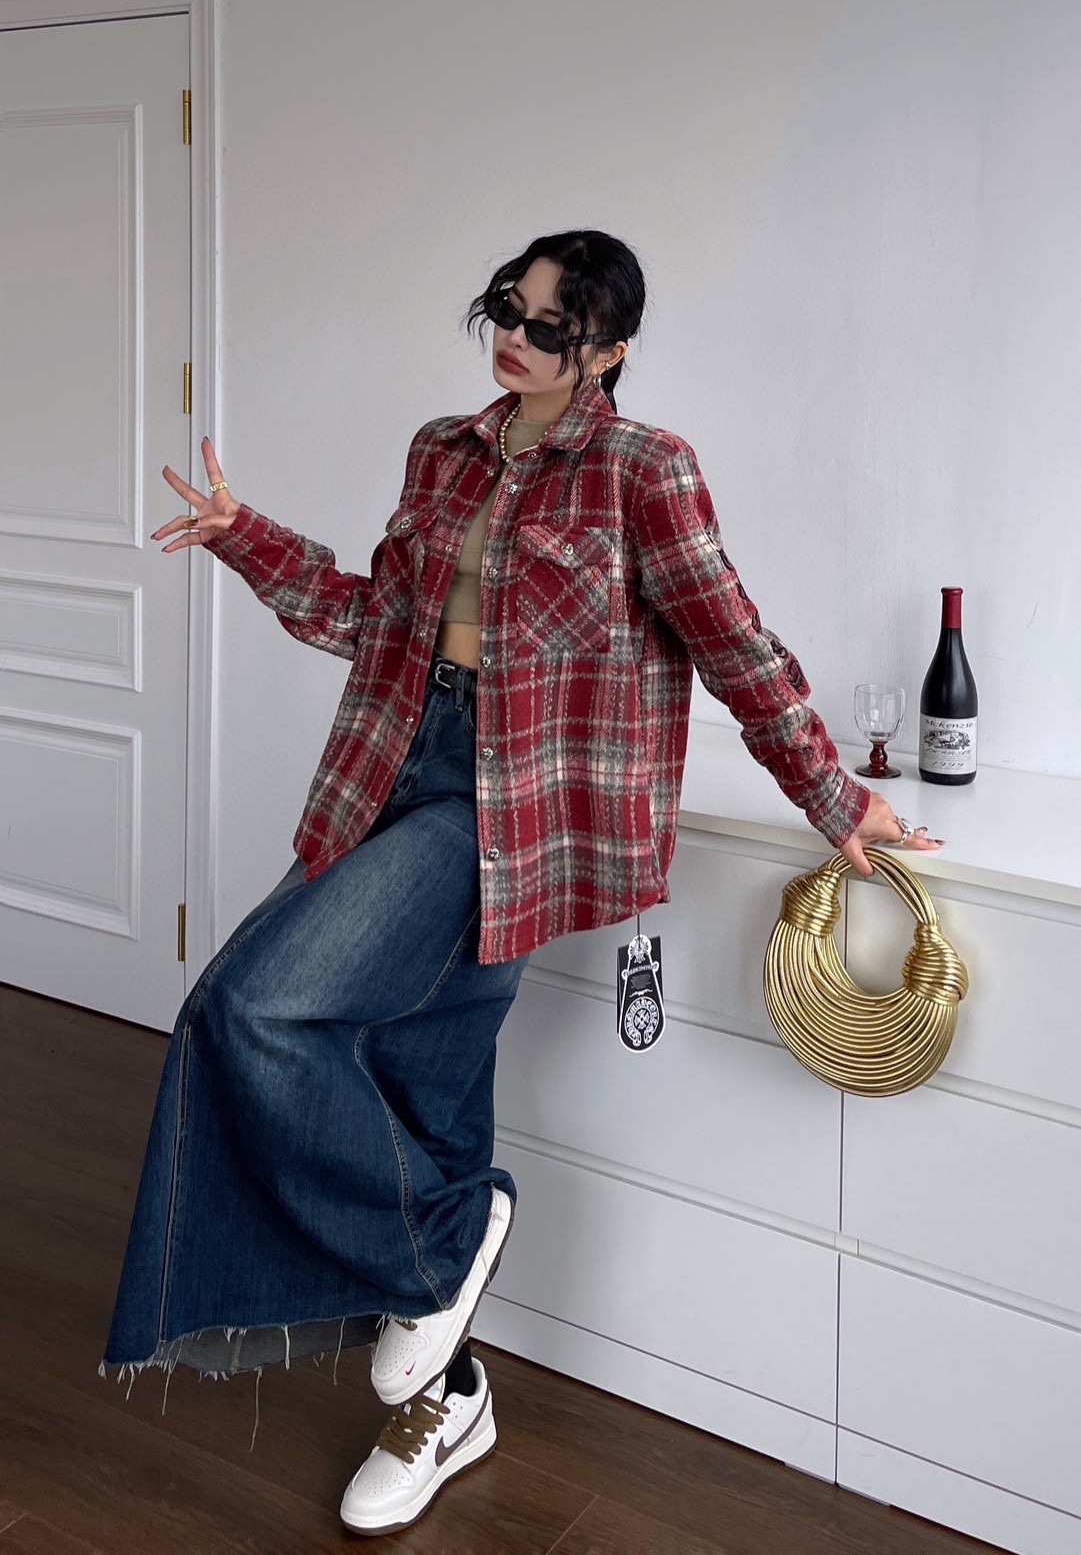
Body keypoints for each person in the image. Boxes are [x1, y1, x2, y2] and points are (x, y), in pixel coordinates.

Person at [97, 230, 943, 1537]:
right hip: (397, 766)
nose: (518, 336)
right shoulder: (443, 448)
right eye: (509, 306)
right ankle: (449, 1391)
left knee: (252, 1007)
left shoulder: (644, 470)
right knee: (416, 1083)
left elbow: (734, 645)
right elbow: (372, 618)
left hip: (510, 806)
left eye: (554, 324)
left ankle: (443, 1245)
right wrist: (243, 539)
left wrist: (834, 796)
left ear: (608, 351)